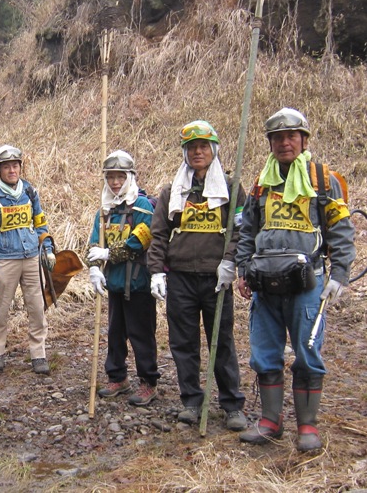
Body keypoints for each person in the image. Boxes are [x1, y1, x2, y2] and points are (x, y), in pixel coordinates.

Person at [235, 108, 355, 452]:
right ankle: (271, 421)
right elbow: (248, 228)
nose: (284, 143)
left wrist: (340, 275)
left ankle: (307, 426)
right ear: (270, 143)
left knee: (307, 352)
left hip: (308, 283)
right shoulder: (262, 182)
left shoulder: (322, 179)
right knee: (264, 352)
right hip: (264, 283)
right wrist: (243, 269)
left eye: (291, 136)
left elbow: (342, 229)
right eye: (277, 137)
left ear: (304, 140)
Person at [147, 120, 247, 431]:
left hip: (216, 278)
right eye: (192, 147)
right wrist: (156, 273)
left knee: (222, 342)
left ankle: (232, 405)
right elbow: (159, 234)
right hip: (181, 280)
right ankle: (191, 400)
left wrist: (230, 263)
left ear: (214, 150)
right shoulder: (172, 192)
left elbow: (241, 231)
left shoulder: (231, 189)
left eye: (203, 146)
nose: (198, 152)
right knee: (183, 342)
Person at [86, 150, 160, 406]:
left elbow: (142, 239)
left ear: (130, 177)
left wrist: (110, 253)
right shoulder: (105, 211)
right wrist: (95, 265)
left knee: (141, 334)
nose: (115, 182)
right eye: (110, 177)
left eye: (120, 177)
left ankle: (148, 382)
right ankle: (117, 376)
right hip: (114, 283)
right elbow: (95, 240)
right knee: (115, 332)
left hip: (139, 283)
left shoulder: (143, 208)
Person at [0, 145, 55, 375]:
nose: (12, 170)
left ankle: (38, 354)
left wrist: (48, 249)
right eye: (6, 167)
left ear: (20, 167)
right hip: (6, 260)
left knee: (37, 307)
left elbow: (40, 222)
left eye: (15, 165)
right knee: (0, 307)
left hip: (32, 257)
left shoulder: (30, 193)